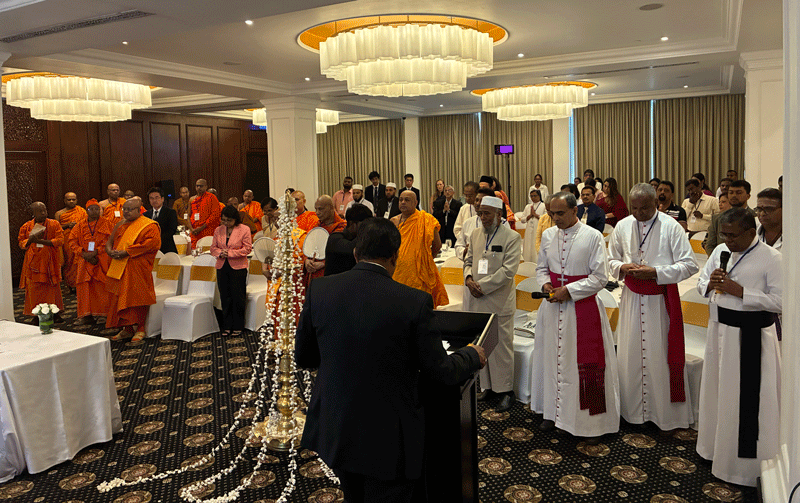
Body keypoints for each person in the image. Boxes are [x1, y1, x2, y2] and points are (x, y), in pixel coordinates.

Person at [296, 217, 485, 503]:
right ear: (395, 256)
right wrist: (471, 354)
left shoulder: (321, 290)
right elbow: (441, 371)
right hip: (389, 437)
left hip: (338, 424)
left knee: (353, 495)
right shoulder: (414, 301)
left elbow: (305, 356)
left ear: (357, 253)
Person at [696, 208, 781, 487]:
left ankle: (740, 468)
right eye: (724, 234)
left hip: (751, 338)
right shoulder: (720, 250)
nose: (728, 241)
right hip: (719, 332)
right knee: (717, 394)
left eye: (733, 236)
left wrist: (741, 291)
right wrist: (709, 284)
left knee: (744, 402)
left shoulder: (772, 259)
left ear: (749, 232)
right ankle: (712, 450)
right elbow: (700, 283)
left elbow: (782, 302)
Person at [608, 183, 699, 431]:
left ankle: (662, 416)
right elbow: (610, 259)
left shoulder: (671, 227)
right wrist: (622, 267)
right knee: (630, 355)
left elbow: (690, 265)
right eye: (634, 208)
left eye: (645, 208)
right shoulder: (623, 226)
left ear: (655, 204)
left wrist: (657, 272)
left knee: (659, 357)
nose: (639, 213)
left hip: (660, 301)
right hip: (631, 299)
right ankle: (631, 412)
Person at [532, 192, 620, 442]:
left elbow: (600, 278)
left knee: (579, 366)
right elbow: (540, 268)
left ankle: (590, 424)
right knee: (552, 362)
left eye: (560, 213)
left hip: (580, 310)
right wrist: (547, 284)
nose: (555, 218)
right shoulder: (549, 235)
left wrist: (569, 291)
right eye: (552, 213)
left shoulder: (592, 236)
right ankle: (553, 413)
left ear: (575, 211)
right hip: (551, 309)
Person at [464, 196, 522, 413]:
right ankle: (487, 387)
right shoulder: (476, 234)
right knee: (482, 346)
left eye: (487, 213)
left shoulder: (512, 238)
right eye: (480, 213)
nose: (483, 218)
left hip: (498, 301)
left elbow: (508, 271)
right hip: (477, 298)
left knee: (501, 348)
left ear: (499, 215)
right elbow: (468, 260)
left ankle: (506, 392)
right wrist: (469, 279)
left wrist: (482, 286)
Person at [106, 199, 161, 342]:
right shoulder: (120, 224)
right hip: (120, 266)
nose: (126, 212)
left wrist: (127, 252)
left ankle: (141, 328)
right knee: (121, 297)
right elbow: (110, 241)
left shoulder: (148, 225)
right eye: (124, 209)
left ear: (139, 210)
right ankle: (128, 329)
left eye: (130, 209)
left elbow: (152, 244)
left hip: (137, 267)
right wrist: (109, 251)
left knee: (138, 297)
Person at [391, 190, 448, 308]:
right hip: (398, 272)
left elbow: (437, 245)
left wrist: (425, 259)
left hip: (420, 272)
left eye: (407, 200)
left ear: (416, 202)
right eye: (401, 199)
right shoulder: (394, 221)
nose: (403, 202)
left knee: (418, 306)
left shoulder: (426, 219)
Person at [69, 199, 112, 324]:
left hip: (102, 259)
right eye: (91, 209)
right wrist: (83, 253)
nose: (94, 211)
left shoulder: (107, 223)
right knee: (85, 287)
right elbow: (72, 241)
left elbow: (111, 241)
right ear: (86, 211)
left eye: (97, 209)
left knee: (102, 286)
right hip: (84, 260)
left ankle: (105, 313)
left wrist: (96, 252)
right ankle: (86, 315)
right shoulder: (80, 225)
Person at [211, 205, 253, 336]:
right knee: (225, 296)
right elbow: (213, 248)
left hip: (238, 267)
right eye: (223, 220)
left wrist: (229, 253)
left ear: (235, 219)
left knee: (237, 296)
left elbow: (247, 249)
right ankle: (227, 325)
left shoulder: (244, 229)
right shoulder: (218, 230)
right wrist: (220, 252)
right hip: (222, 266)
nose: (226, 223)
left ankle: (238, 325)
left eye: (229, 220)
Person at [18, 202, 64, 318]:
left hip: (50, 262)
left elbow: (60, 241)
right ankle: (36, 315)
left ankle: (55, 313)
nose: (43, 213)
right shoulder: (26, 226)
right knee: (33, 289)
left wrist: (40, 241)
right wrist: (31, 240)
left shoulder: (54, 224)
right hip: (33, 263)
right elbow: (21, 244)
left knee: (52, 288)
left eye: (45, 210)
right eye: (40, 211)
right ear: (33, 213)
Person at [704, 180, 755, 256]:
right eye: (731, 192)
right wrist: (718, 260)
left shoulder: (755, 217)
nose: (734, 195)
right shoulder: (717, 218)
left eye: (738, 193)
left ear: (748, 196)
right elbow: (710, 245)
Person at [305, 196, 347, 281]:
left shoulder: (342, 227)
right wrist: (306, 261)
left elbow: (343, 255)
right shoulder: (317, 226)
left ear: (331, 208)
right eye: (316, 209)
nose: (317, 213)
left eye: (320, 209)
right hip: (313, 272)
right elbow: (308, 247)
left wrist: (324, 263)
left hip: (332, 274)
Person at [325, 204, 373, 276]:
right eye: (364, 225)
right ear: (352, 224)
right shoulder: (335, 239)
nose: (367, 228)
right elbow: (351, 248)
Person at [54, 192, 87, 290]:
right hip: (67, 240)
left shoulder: (82, 211)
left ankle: (80, 283)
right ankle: (70, 284)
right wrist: (67, 225)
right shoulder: (59, 213)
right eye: (69, 199)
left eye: (73, 199)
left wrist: (78, 224)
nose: (71, 201)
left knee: (79, 260)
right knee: (69, 261)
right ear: (64, 201)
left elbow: (87, 224)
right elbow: (56, 229)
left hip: (80, 239)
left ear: (76, 200)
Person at [144, 187, 178, 254]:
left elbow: (172, 230)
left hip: (167, 248)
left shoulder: (170, 212)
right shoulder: (145, 215)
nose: (154, 200)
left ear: (162, 199)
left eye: (157, 197)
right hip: (150, 250)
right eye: (151, 198)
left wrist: (156, 240)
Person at [189, 179, 221, 249]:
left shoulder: (212, 197)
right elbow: (188, 215)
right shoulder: (192, 199)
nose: (198, 188)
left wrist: (202, 227)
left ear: (206, 187)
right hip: (195, 232)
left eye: (201, 186)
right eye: (197, 186)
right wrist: (191, 229)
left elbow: (215, 215)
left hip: (207, 230)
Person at [519, 187, 545, 262]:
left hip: (538, 229)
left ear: (539, 196)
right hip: (528, 229)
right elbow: (522, 220)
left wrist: (535, 215)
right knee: (528, 246)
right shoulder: (528, 206)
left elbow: (545, 219)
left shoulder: (543, 206)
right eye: (531, 196)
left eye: (535, 196)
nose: (533, 198)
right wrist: (530, 216)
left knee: (535, 246)